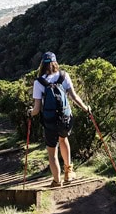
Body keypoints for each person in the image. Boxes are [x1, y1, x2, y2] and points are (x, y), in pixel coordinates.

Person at [27, 51, 91, 187]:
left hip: (50, 121)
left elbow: (37, 109)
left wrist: (30, 113)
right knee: (64, 140)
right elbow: (74, 96)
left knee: (52, 151)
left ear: (41, 65)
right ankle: (69, 173)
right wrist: (86, 108)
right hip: (65, 119)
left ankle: (57, 181)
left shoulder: (39, 82)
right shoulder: (63, 76)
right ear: (55, 62)